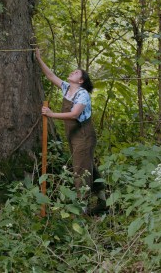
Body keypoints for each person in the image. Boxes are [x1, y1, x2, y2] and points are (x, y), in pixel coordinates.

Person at [35, 47, 107, 214]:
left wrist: (52, 114)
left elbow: (75, 114)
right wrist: (38, 58)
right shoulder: (67, 88)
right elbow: (50, 76)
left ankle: (82, 209)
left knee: (80, 170)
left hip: (84, 135)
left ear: (81, 81)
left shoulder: (82, 95)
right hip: (74, 135)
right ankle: (103, 199)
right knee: (88, 166)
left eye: (76, 72)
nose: (72, 73)